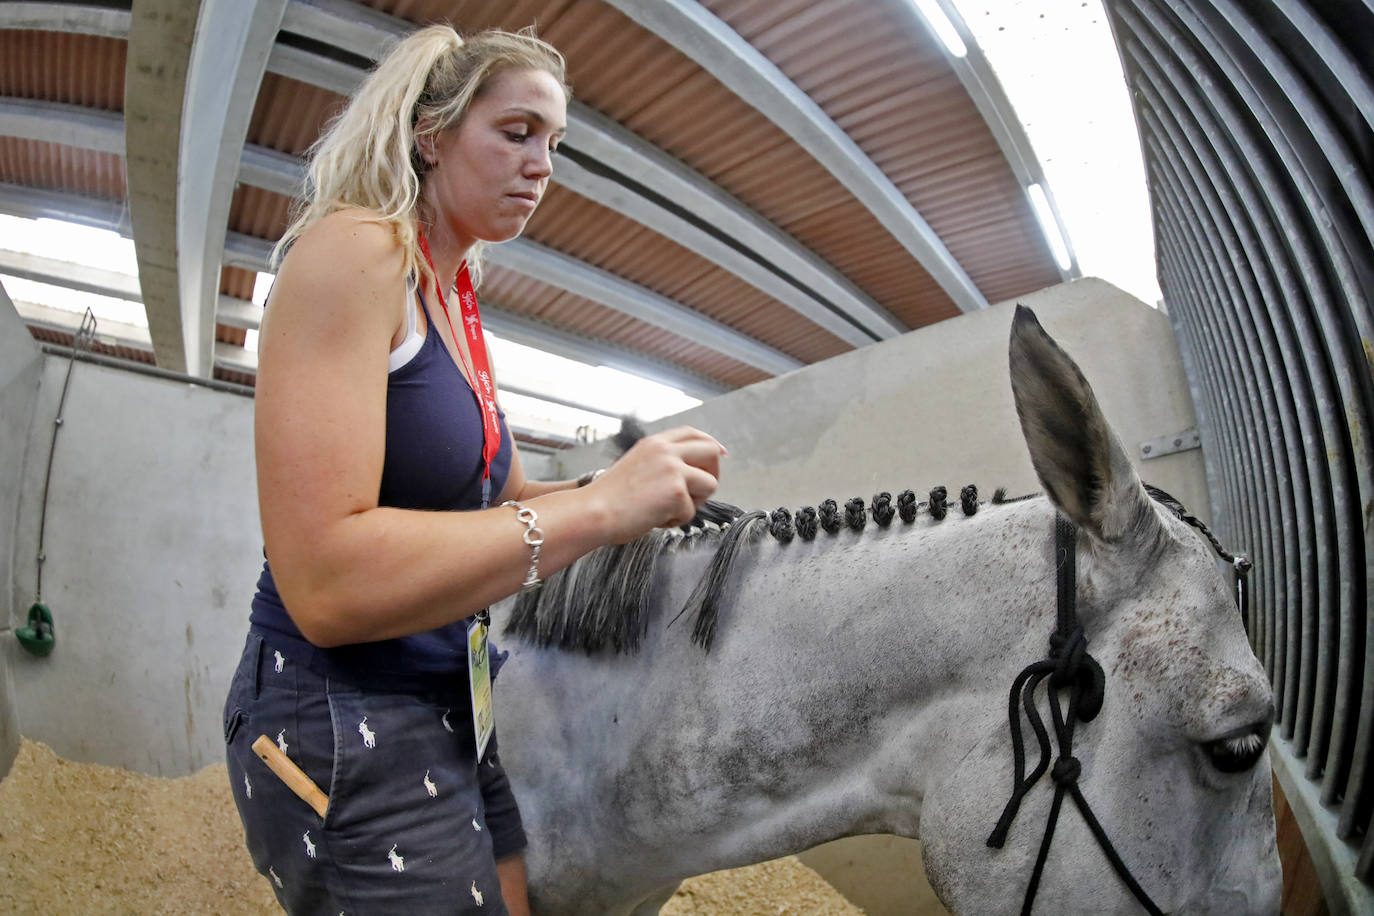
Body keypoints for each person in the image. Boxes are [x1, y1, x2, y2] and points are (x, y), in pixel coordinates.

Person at [222, 24, 725, 915]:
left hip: (453, 691)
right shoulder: (356, 251)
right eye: (517, 132)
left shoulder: (454, 296)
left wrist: (638, 492)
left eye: (555, 145)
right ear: (432, 134)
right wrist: (601, 509)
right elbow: (325, 583)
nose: (542, 166)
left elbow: (512, 499)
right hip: (340, 708)